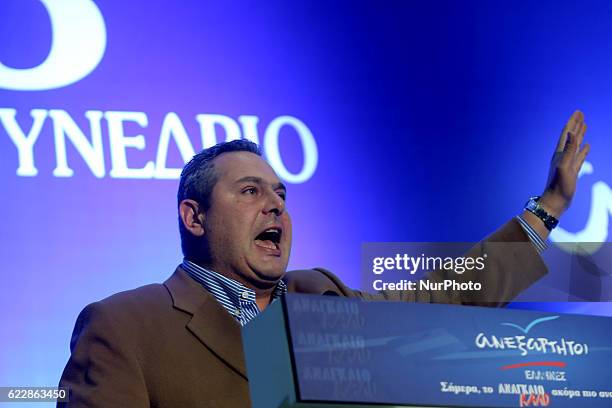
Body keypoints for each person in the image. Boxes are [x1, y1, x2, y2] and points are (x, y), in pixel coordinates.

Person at [58, 111, 590, 407]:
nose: (275, 205)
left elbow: (444, 300)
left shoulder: (322, 295)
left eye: (281, 195)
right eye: (248, 192)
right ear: (194, 218)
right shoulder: (125, 327)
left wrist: (548, 208)